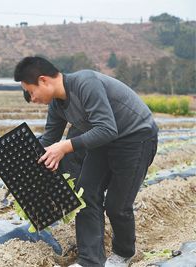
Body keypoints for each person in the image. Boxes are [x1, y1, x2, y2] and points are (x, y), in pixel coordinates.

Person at [14, 56, 158, 267]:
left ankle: (124, 253)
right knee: (86, 193)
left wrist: (64, 147)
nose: (31, 97)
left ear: (43, 80)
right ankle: (90, 261)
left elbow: (108, 128)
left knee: (117, 205)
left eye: (30, 91)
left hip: (135, 137)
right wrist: (20, 165)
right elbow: (48, 140)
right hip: (103, 141)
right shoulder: (57, 105)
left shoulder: (85, 83)